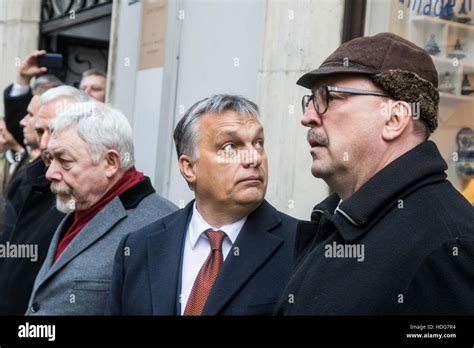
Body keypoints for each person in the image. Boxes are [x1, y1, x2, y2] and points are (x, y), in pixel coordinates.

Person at [274, 32, 474, 315]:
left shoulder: (447, 248)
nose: (307, 117)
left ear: (394, 119)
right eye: (311, 100)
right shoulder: (343, 218)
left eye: (328, 97)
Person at [106, 95, 298, 316]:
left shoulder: (300, 245)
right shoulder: (138, 248)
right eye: (230, 147)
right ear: (189, 167)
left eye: (258, 143)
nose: (253, 158)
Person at [26, 99, 177, 315]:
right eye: (51, 159)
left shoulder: (160, 226)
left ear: (110, 163)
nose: (50, 173)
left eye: (64, 160)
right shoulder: (82, 204)